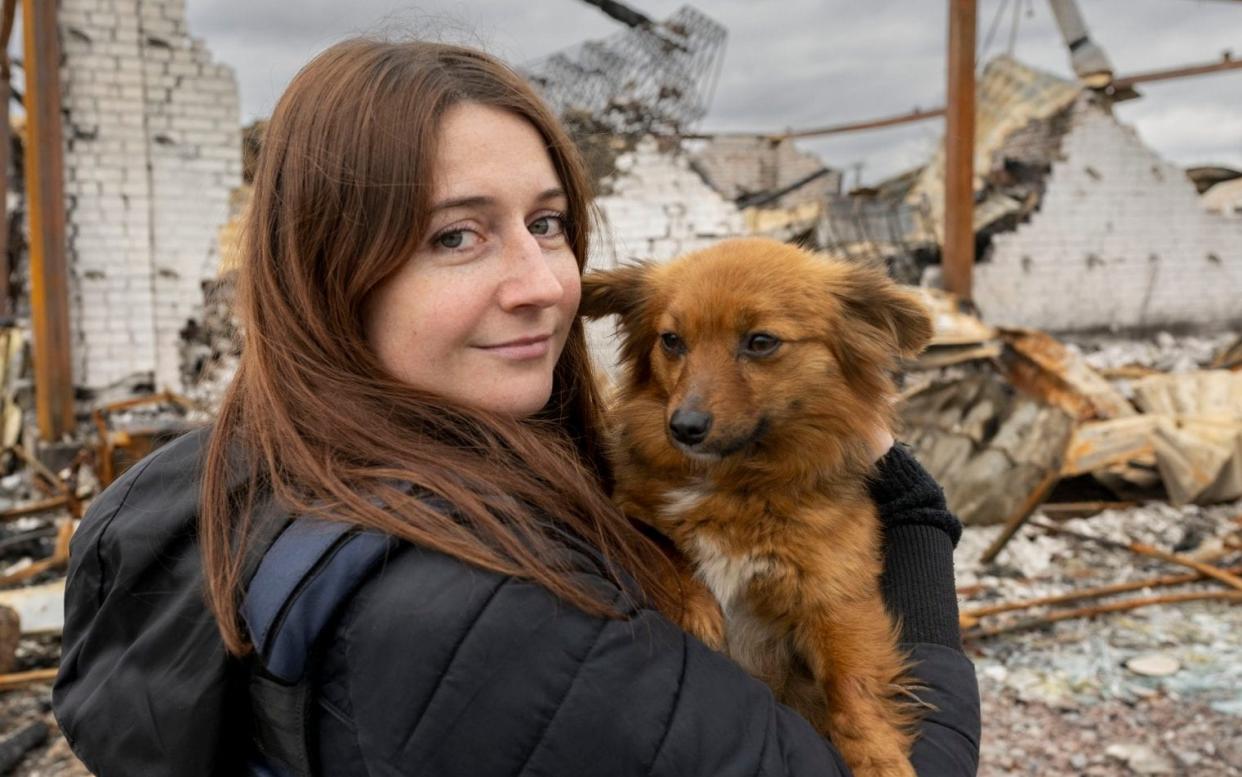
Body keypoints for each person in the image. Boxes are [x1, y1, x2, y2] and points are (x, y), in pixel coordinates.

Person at [54, 38, 980, 776]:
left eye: (546, 223)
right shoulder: (497, 622)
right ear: (331, 275)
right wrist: (913, 513)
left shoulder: (224, 467)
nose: (542, 285)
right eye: (455, 235)